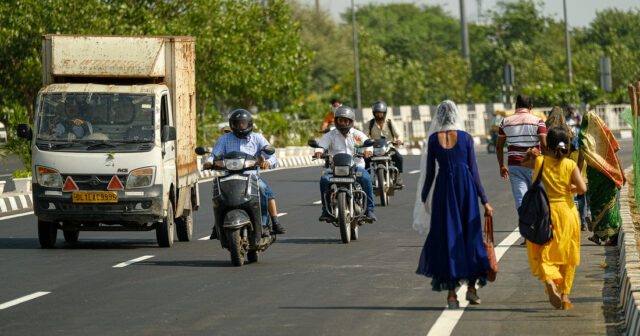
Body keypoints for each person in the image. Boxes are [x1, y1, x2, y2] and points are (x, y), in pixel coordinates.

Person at [413, 100, 494, 309]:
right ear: (456, 115)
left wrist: (423, 198)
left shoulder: (432, 140)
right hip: (465, 189)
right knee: (470, 236)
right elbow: (474, 171)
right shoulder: (466, 138)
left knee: (447, 238)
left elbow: (429, 173)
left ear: (438, 118)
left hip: (443, 191)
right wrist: (484, 200)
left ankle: (451, 294)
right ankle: (472, 289)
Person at [521, 127, 587, 310]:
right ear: (566, 145)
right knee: (568, 255)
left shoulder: (540, 161)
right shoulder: (570, 165)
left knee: (544, 252)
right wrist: (571, 189)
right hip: (568, 214)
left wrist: (529, 153)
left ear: (547, 145)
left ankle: (550, 280)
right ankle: (565, 296)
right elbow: (582, 189)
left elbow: (523, 163)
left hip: (546, 214)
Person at [203, 109, 286, 235]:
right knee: (217, 191)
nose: (240, 126)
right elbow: (214, 155)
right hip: (229, 176)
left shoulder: (257, 138)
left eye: (243, 123)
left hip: (251, 177)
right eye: (236, 124)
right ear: (231, 125)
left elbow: (272, 157)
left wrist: (267, 162)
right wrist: (209, 162)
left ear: (249, 124)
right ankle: (217, 225)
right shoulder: (225, 138)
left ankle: (266, 223)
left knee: (263, 190)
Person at [496, 94, 547, 244]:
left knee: (521, 199)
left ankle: (527, 232)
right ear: (530, 107)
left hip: (514, 166)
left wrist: (501, 165)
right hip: (535, 166)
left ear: (516, 105)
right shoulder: (538, 122)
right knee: (537, 198)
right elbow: (543, 145)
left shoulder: (505, 122)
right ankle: (537, 230)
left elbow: (499, 146)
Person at [315, 105, 376, 222]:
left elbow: (367, 144)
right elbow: (321, 145)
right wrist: (318, 152)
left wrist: (368, 151)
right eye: (340, 120)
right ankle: (325, 210)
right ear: (337, 120)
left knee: (366, 178)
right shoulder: (330, 135)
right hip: (335, 168)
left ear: (350, 121)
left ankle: (369, 210)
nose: (343, 123)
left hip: (355, 167)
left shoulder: (357, 135)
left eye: (346, 120)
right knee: (324, 179)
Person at [577, 111, 625, 246]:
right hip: (608, 173)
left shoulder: (583, 137)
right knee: (609, 202)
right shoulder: (605, 134)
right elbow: (615, 154)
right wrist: (621, 172)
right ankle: (606, 236)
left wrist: (575, 175)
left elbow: (581, 159)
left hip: (594, 175)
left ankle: (599, 235)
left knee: (596, 203)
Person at [545, 106, 590, 231]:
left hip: (549, 166)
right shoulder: (566, 130)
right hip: (567, 166)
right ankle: (582, 219)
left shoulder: (546, 128)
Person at [364, 100, 404, 186]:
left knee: (399, 157)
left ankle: (397, 176)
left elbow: (399, 134)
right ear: (374, 113)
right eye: (377, 113)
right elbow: (364, 136)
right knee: (365, 159)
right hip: (374, 149)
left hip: (388, 148)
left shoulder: (390, 123)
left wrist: (399, 140)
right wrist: (365, 142)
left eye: (381, 113)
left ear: (384, 113)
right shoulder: (369, 124)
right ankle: (367, 179)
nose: (379, 115)